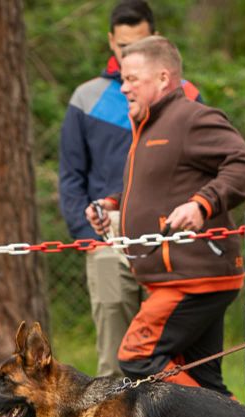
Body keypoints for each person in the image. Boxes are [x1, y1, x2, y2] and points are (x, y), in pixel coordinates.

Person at [86, 36, 245, 396]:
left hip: (193, 277)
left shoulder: (191, 119)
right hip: (175, 277)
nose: (124, 88)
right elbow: (162, 186)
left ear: (163, 78)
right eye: (123, 79)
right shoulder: (148, 126)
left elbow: (243, 165)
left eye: (132, 79)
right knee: (204, 379)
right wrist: (114, 204)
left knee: (137, 357)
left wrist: (202, 205)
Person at [58, 0, 201, 377]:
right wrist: (89, 234)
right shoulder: (86, 98)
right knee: (114, 358)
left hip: (168, 236)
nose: (131, 56)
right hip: (108, 236)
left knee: (171, 355)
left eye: (140, 45)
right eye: (124, 48)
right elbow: (71, 176)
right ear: (110, 43)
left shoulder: (186, 96)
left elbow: (203, 168)